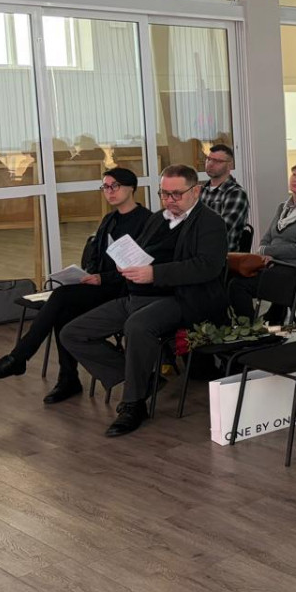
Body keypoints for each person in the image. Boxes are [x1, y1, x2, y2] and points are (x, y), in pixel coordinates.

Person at [60, 165, 231, 437]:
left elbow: (206, 267)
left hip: (181, 299)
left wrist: (154, 273)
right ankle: (145, 380)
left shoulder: (210, 222)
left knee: (137, 326)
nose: (169, 200)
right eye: (164, 194)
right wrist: (124, 263)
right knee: (72, 333)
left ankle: (133, 404)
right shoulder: (157, 219)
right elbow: (140, 249)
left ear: (196, 191)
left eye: (176, 194)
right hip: (139, 295)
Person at [0, 169, 151, 402]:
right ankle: (67, 378)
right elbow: (95, 255)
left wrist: (102, 278)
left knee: (61, 298)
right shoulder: (109, 219)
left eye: (115, 186)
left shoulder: (146, 221)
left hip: (125, 288)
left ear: (131, 188)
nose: (109, 192)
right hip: (100, 285)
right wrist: (88, 273)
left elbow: (142, 266)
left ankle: (20, 358)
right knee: (64, 308)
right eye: (105, 187)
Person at [228, 162, 296, 324]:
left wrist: (269, 252)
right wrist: (266, 253)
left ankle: (267, 327)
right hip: (275, 264)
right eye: (294, 174)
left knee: (268, 281)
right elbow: (267, 238)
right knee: (235, 283)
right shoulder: (283, 207)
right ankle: (250, 328)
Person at [199, 143, 250, 251]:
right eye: (209, 159)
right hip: (196, 251)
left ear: (229, 165)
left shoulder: (236, 193)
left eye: (217, 161)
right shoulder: (201, 191)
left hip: (222, 255)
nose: (210, 164)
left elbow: (220, 230)